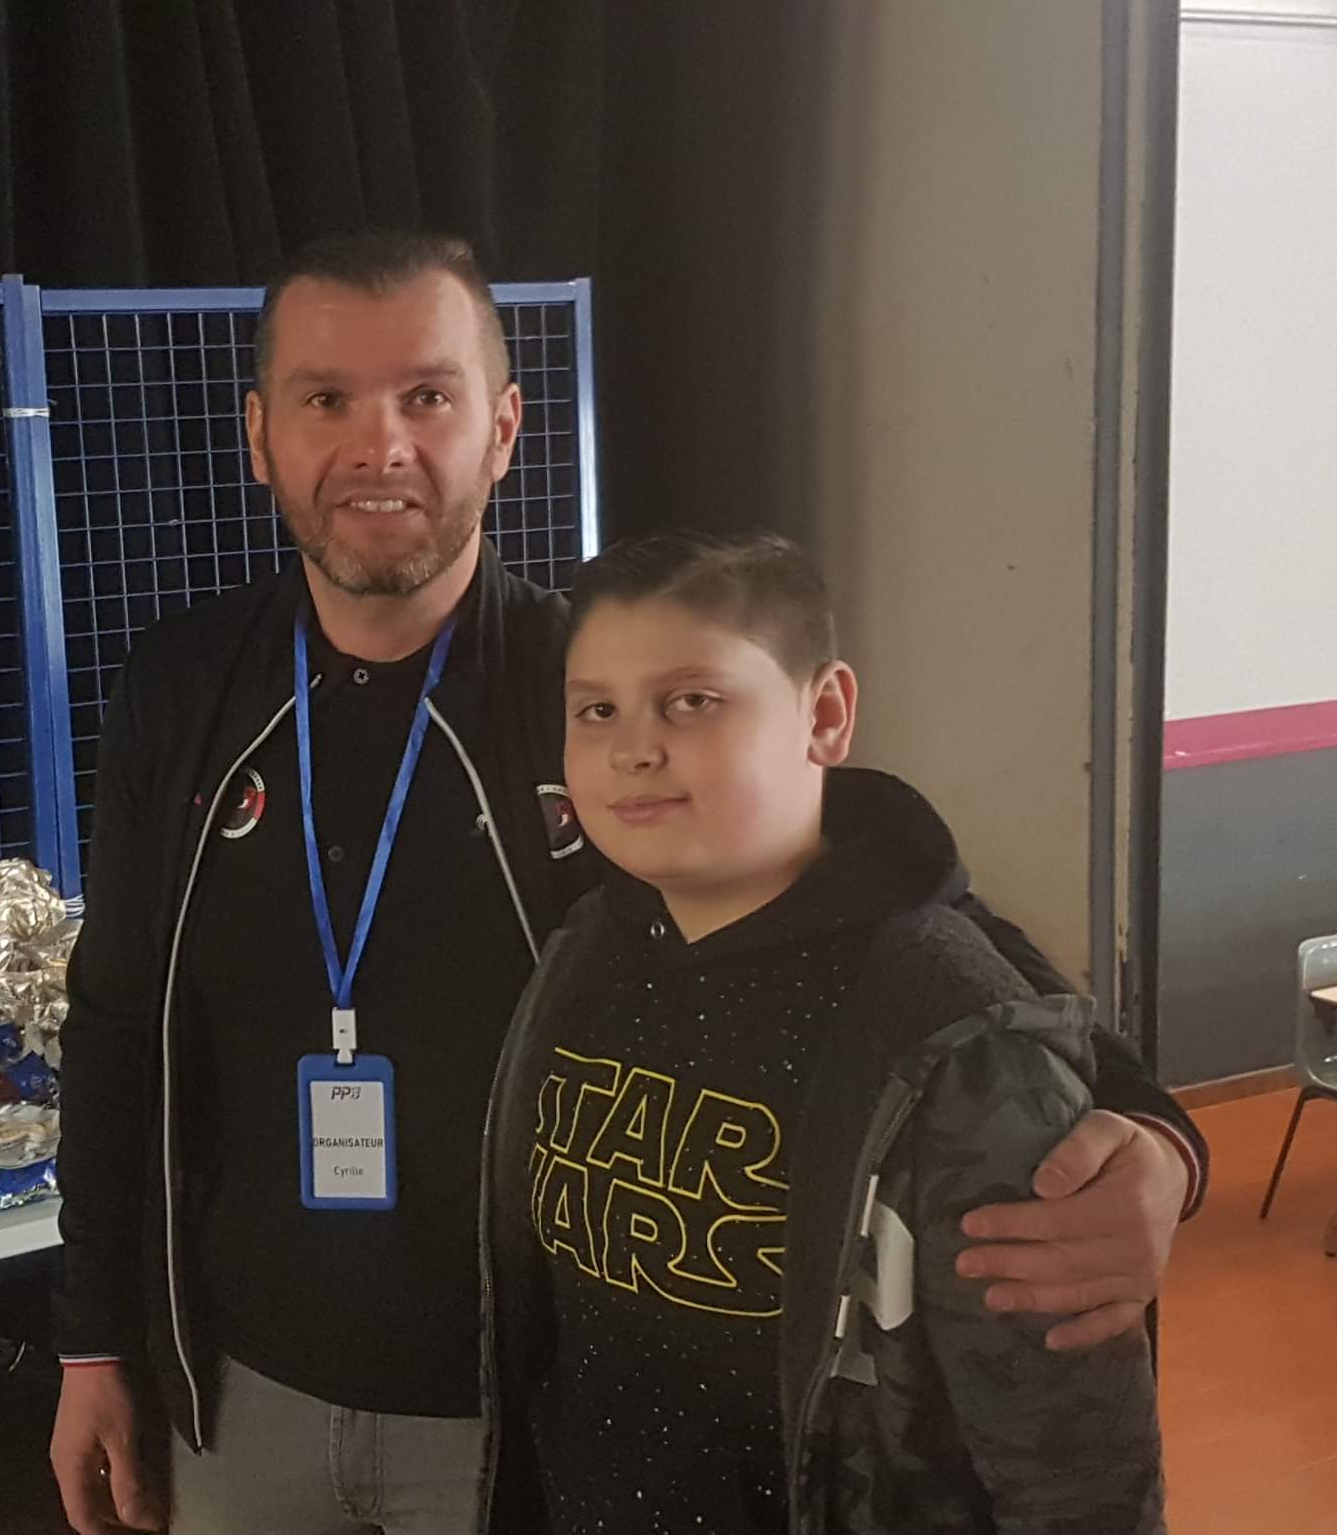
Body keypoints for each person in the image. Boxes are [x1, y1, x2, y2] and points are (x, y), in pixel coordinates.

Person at [49, 230, 1200, 1535]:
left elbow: (890, 892)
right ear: (260, 435)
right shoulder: (184, 687)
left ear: (502, 428)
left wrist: (1150, 1130)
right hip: (236, 1396)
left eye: (427, 396)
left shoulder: (597, 686)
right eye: (327, 399)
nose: (380, 446)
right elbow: (117, 1018)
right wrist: (95, 1341)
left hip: (513, 1417)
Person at [480, 531, 1164, 1532]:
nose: (634, 748)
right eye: (597, 711)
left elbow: (1070, 1467)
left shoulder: (956, 1041)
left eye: (691, 701)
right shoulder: (585, 951)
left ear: (826, 714)